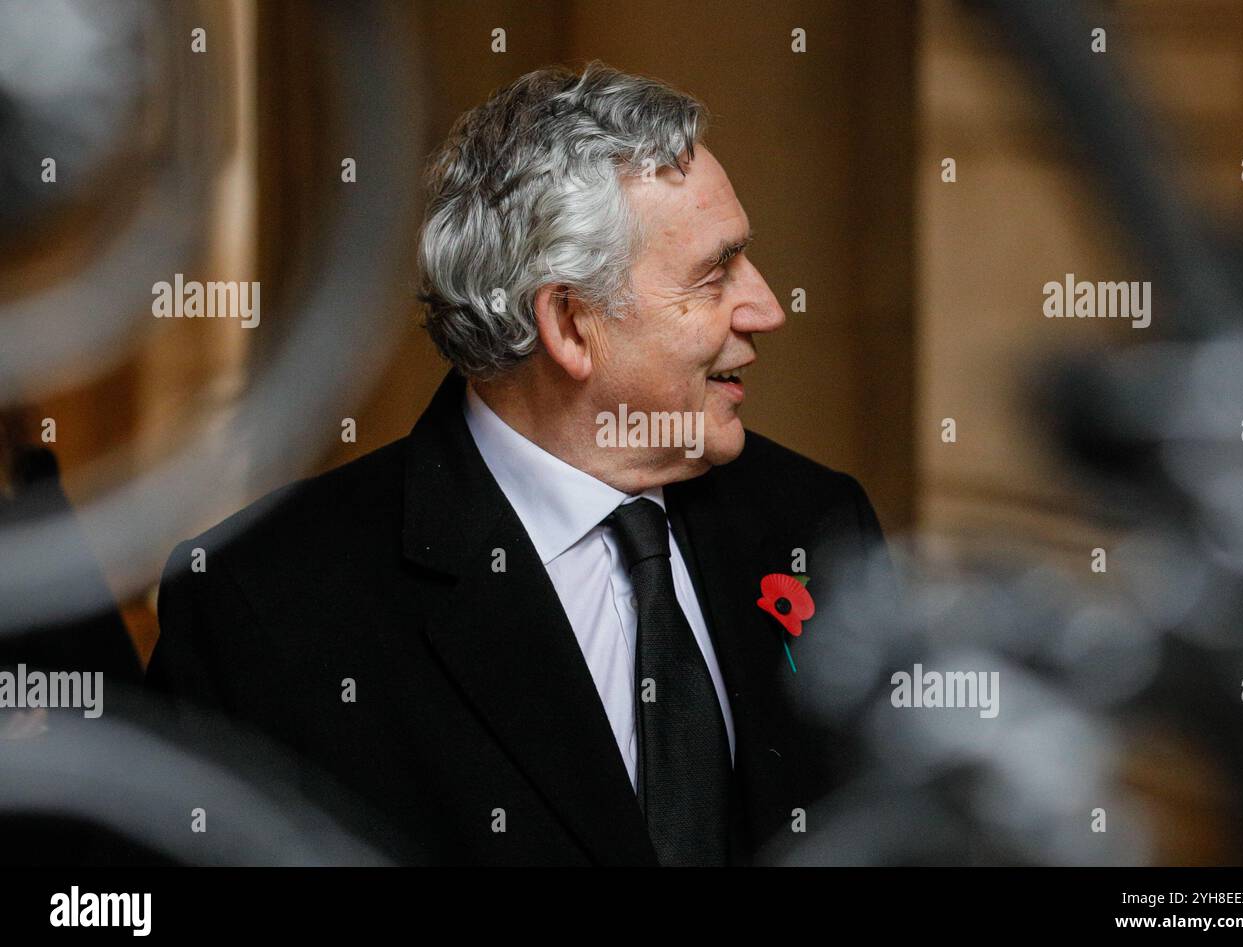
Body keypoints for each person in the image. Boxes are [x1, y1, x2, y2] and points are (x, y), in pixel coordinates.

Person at [147, 62, 890, 866]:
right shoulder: (268, 599)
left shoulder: (814, 522)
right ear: (570, 323)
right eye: (715, 275)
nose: (768, 309)